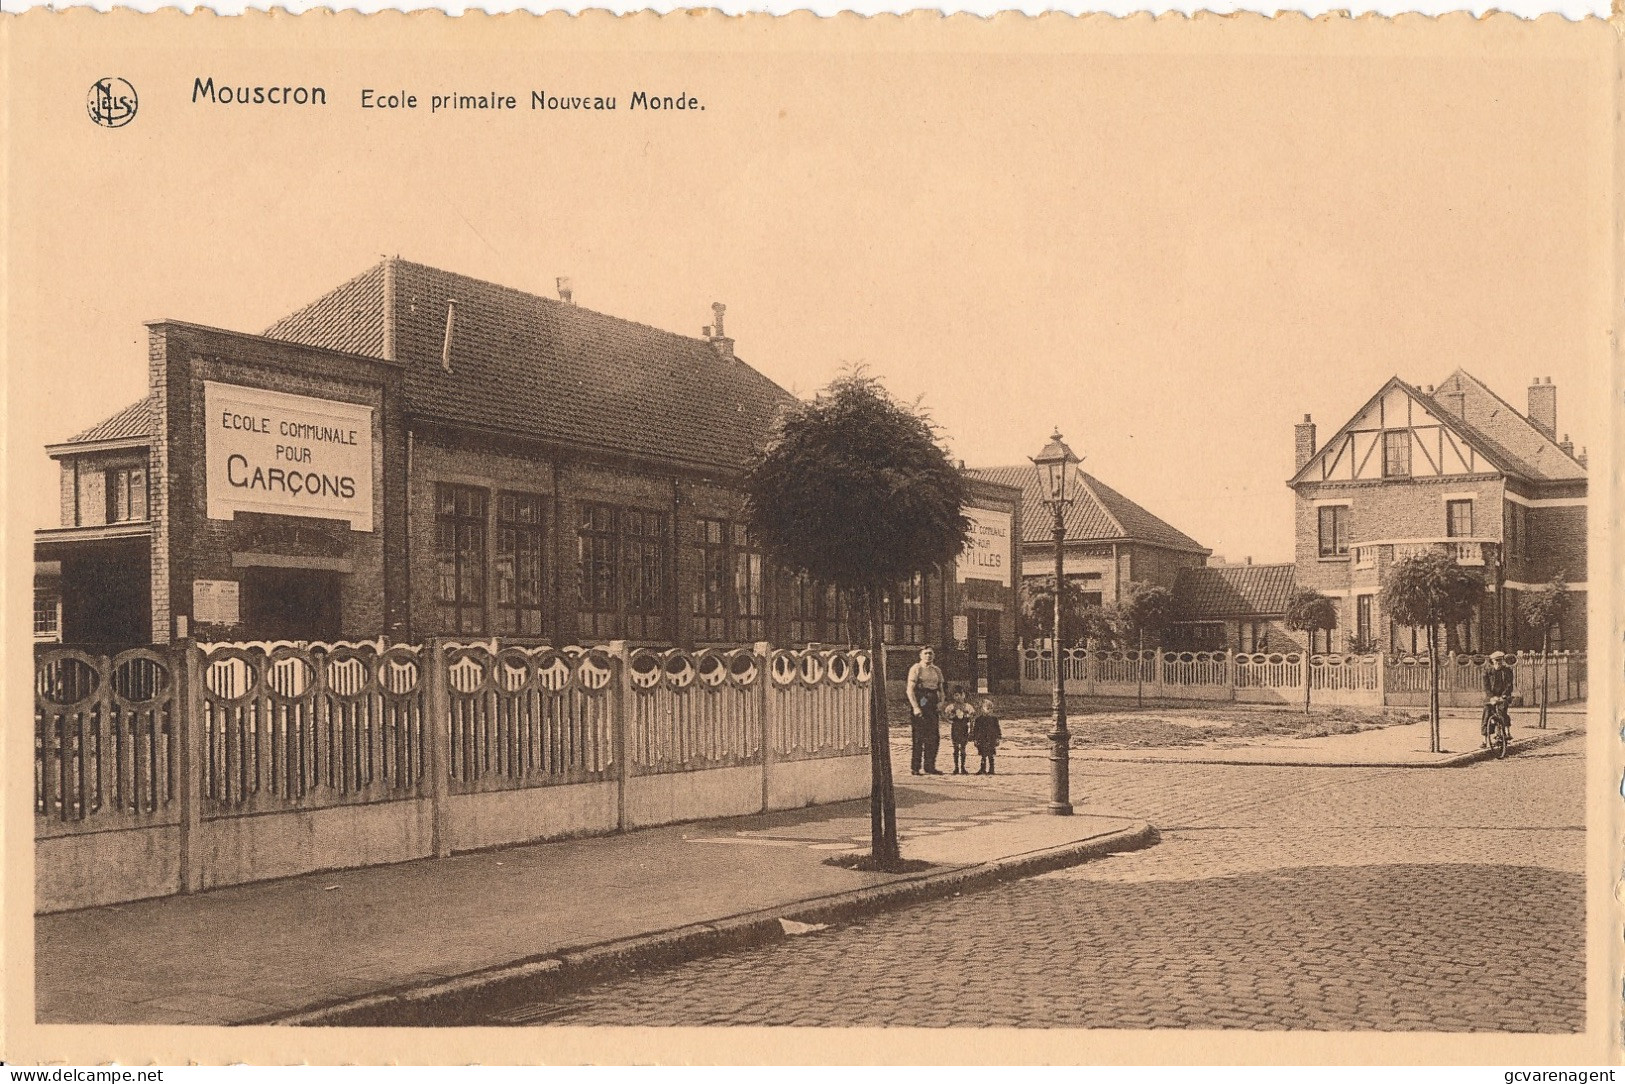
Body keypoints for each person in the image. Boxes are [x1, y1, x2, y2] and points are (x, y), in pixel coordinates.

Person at [906, 646, 945, 775]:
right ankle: (915, 767)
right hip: (921, 701)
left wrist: (941, 703)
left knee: (933, 737)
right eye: (926, 653)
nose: (928, 656)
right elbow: (910, 690)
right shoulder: (916, 668)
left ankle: (930, 766)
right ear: (921, 655)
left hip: (932, 704)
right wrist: (916, 707)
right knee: (918, 737)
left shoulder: (937, 670)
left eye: (931, 653)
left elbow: (941, 689)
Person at [1482, 651, 1515, 745]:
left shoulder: (1507, 671)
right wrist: (1492, 697)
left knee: (1502, 710)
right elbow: (1486, 687)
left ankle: (1504, 733)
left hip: (1503, 696)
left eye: (1500, 660)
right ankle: (1484, 739)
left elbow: (1509, 685)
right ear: (1492, 661)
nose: (1498, 662)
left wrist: (1504, 695)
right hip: (1491, 696)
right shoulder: (1487, 672)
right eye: (1496, 660)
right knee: (1487, 712)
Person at [945, 687, 975, 774]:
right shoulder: (951, 707)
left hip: (964, 728)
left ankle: (963, 767)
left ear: (963, 695)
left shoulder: (968, 707)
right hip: (955, 728)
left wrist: (971, 729)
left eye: (959, 695)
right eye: (955, 695)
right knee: (955, 748)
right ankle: (956, 767)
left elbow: (972, 718)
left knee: (963, 748)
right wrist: (951, 719)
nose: (957, 697)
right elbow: (946, 716)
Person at [972, 698, 1002, 775]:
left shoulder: (994, 719)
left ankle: (991, 769)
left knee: (991, 755)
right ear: (982, 709)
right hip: (982, 739)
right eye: (986, 708)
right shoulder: (978, 719)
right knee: (983, 755)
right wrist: (975, 739)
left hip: (991, 739)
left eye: (990, 709)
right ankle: (982, 768)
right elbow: (975, 730)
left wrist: (998, 738)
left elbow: (997, 729)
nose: (988, 711)